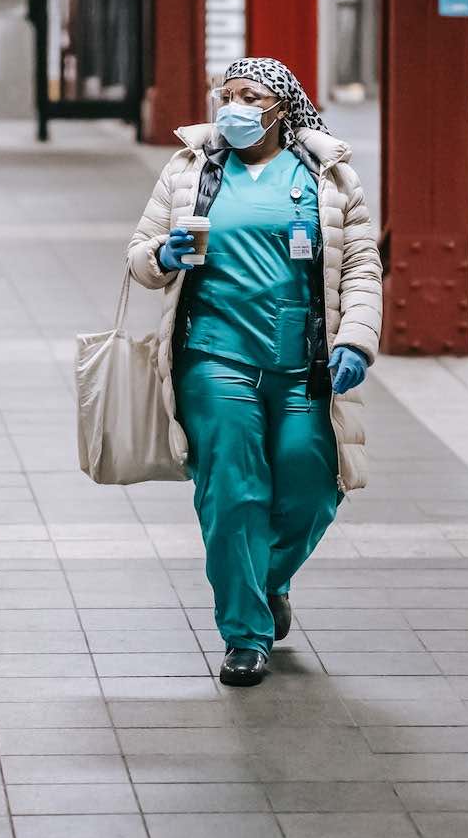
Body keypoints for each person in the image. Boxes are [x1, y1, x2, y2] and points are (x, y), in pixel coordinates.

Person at [126, 56, 383, 687]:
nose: (235, 106)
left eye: (251, 96)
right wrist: (164, 254)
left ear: (281, 106)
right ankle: (245, 634)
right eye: (228, 94)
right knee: (233, 491)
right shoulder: (192, 170)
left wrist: (356, 338)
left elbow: (360, 268)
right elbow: (139, 254)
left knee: (313, 480)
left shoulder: (329, 176)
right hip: (215, 357)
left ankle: (265, 579)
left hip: (303, 360)